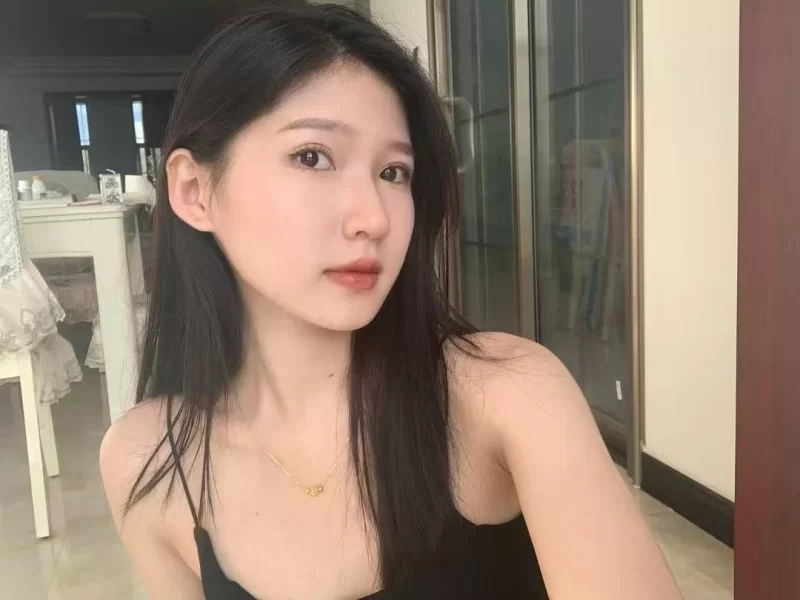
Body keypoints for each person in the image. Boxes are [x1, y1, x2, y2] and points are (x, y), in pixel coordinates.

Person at [100, 3, 682, 599]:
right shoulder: (150, 461)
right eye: (312, 157)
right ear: (195, 190)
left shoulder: (506, 397)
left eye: (394, 173)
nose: (374, 219)